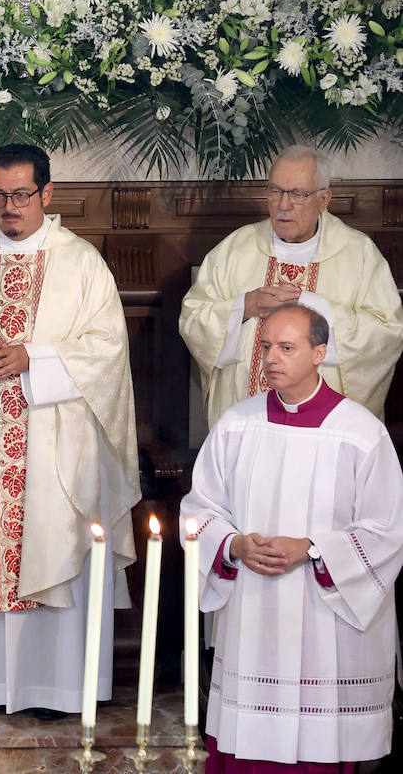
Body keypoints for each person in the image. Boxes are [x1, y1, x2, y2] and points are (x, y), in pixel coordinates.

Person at [0, 143, 141, 717]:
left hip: (55, 441)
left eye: (20, 195)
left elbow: (107, 351)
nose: (9, 207)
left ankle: (55, 687)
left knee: (51, 538)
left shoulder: (82, 263)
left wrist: (33, 359)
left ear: (47, 193)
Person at [181, 304, 403, 770]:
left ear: (319, 352)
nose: (271, 359)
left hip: (327, 620)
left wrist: (314, 549)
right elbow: (199, 509)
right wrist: (234, 544)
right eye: (265, 347)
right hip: (253, 611)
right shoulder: (237, 425)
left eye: (287, 347)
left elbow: (386, 531)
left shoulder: (360, 433)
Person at [180, 146, 403, 430]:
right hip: (247, 423)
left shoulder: (359, 255)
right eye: (275, 191)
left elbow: (387, 334)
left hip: (323, 432)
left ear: (324, 199)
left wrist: (314, 309)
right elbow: (192, 319)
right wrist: (243, 308)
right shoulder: (235, 250)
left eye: (298, 194)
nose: (283, 205)